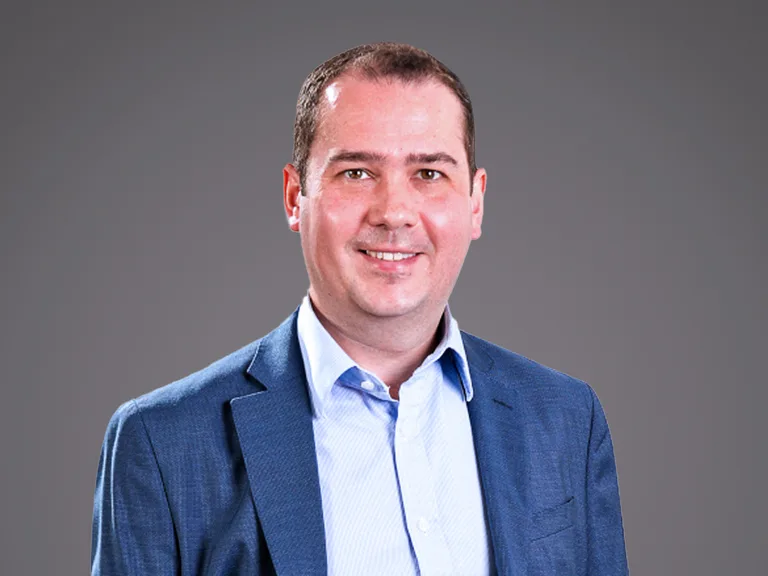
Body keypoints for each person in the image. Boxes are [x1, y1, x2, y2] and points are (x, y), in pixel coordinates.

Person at [91, 42, 629, 575]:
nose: (394, 212)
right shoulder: (163, 444)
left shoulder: (565, 420)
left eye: (429, 174)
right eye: (356, 172)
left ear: (475, 202)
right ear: (294, 197)